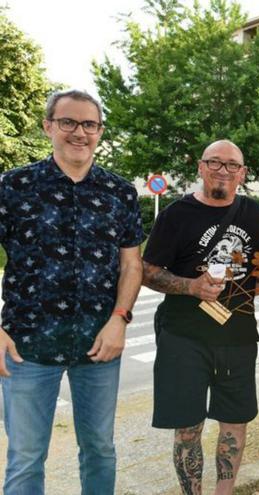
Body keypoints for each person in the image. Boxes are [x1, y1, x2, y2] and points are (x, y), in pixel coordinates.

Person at [0, 89, 144, 495]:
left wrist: (120, 320)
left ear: (100, 131)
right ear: (48, 126)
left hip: (99, 345)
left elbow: (131, 265)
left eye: (89, 124)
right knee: (26, 458)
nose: (79, 132)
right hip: (26, 346)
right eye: (68, 122)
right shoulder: (12, 186)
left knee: (100, 450)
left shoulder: (120, 192)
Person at [142, 140, 259, 495]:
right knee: (188, 428)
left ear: (242, 174)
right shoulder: (175, 214)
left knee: (234, 421)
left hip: (237, 338)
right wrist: (191, 286)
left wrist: (244, 292)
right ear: (201, 168)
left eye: (232, 165)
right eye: (214, 162)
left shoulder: (255, 215)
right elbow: (147, 271)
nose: (223, 170)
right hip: (182, 337)